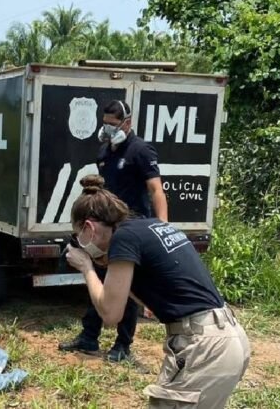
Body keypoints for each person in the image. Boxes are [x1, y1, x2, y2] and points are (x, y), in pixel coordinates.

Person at [65, 175, 250, 408]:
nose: (78, 242)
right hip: (226, 337)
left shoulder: (123, 239)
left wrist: (86, 266)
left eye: (77, 235)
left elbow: (111, 315)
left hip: (203, 347)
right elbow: (136, 289)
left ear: (89, 228)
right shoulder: (147, 227)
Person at [59, 100, 168, 362]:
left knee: (126, 287)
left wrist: (162, 227)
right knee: (97, 279)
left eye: (112, 124)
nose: (107, 129)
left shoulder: (140, 150)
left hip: (132, 229)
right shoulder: (104, 152)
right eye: (105, 123)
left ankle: (122, 345)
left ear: (127, 123)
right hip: (106, 229)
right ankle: (88, 338)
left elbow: (156, 190)